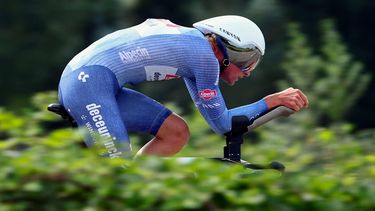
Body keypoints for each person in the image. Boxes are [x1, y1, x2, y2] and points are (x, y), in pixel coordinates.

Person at [58, 15, 309, 159]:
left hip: (94, 82)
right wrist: (272, 101)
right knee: (117, 173)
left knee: (176, 132)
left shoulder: (195, 52)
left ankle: (140, 185)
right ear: (224, 48)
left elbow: (220, 121)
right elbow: (222, 124)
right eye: (246, 61)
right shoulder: (204, 57)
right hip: (87, 83)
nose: (247, 72)